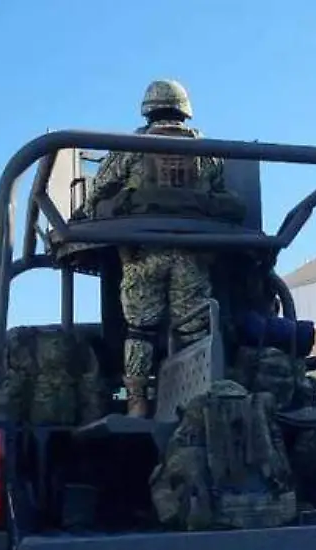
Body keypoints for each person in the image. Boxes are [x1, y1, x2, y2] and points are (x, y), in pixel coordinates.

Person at [81, 79, 238, 417]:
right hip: (191, 253)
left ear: (148, 110)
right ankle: (196, 405)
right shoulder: (207, 152)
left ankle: (137, 401)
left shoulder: (128, 147)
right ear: (184, 110)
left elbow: (97, 197)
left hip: (143, 253)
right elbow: (221, 199)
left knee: (139, 329)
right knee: (193, 329)